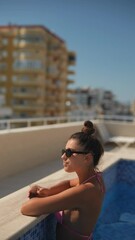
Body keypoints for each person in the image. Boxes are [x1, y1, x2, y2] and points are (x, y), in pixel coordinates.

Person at [21, 120, 105, 240]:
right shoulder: (95, 178)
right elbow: (70, 183)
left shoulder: (85, 191)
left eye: (69, 153)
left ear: (87, 158)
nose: (63, 156)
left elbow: (27, 208)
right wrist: (48, 191)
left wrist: (41, 195)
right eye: (64, 151)